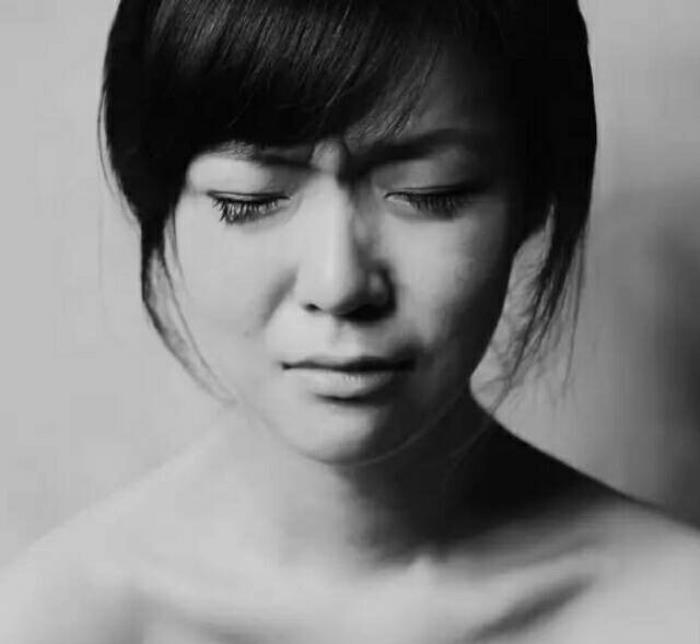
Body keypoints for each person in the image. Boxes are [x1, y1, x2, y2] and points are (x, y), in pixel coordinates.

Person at [2, 0, 700, 641]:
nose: (338, 284)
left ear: (532, 200)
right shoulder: (58, 622)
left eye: (430, 193)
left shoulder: (672, 611)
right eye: (250, 200)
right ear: (157, 204)